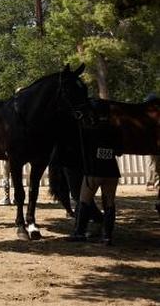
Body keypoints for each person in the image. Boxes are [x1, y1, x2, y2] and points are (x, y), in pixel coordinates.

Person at [67, 100, 121, 245]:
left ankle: (79, 232)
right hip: (111, 171)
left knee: (84, 200)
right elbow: (119, 152)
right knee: (109, 203)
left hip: (94, 171)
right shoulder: (115, 129)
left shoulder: (89, 130)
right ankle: (107, 236)